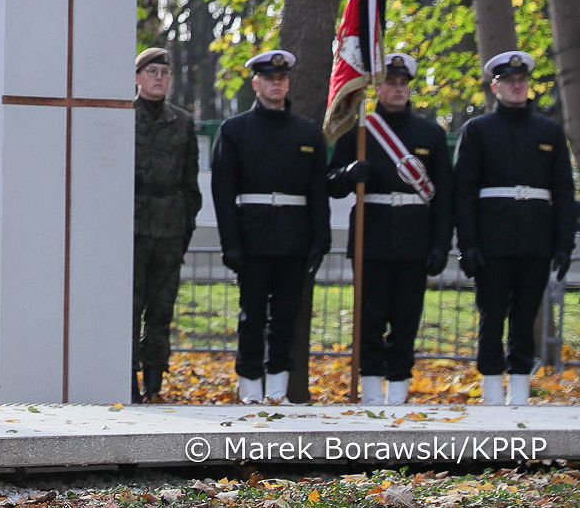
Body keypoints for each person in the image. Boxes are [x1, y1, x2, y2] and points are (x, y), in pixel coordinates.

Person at [326, 51, 453, 406]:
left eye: (402, 83)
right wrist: (348, 174)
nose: (397, 89)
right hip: (372, 237)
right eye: (389, 83)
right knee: (369, 319)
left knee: (406, 320)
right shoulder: (359, 130)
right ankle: (370, 389)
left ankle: (398, 390)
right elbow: (330, 182)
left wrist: (440, 244)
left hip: (415, 238)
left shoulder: (430, 133)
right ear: (377, 88)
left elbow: (445, 195)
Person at [453, 50, 576, 405]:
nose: (517, 86)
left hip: (535, 239)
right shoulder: (478, 130)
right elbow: (464, 192)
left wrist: (564, 244)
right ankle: (492, 388)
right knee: (491, 315)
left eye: (522, 80)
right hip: (492, 240)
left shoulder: (549, 131)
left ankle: (520, 388)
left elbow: (563, 192)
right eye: (509, 81)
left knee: (525, 315)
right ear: (495, 87)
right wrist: (467, 243)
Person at [210, 48, 330, 405]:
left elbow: (318, 192)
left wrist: (320, 240)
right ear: (256, 83)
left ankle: (278, 390)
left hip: (294, 237)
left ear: (288, 83)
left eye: (281, 78)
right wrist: (231, 243)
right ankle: (250, 388)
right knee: (252, 317)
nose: (276, 84)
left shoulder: (307, 132)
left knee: (286, 318)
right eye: (268, 78)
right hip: (253, 237)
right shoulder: (235, 130)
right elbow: (223, 192)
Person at [131, 46, 202, 403]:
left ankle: (154, 382)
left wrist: (185, 226)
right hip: (132, 228)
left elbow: (190, 182)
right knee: (129, 310)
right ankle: (127, 380)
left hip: (169, 228)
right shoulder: (123, 116)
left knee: (161, 312)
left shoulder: (183, 122)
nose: (159, 78)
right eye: (152, 72)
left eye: (164, 73)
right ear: (137, 78)